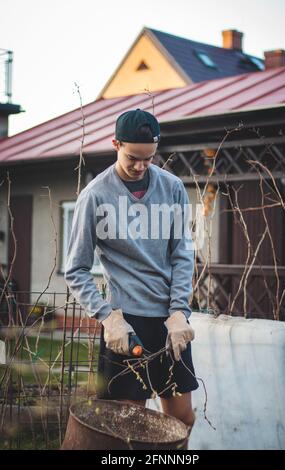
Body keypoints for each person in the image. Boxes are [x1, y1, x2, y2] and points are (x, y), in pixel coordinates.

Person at [64, 108, 199, 432]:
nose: (140, 166)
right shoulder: (95, 196)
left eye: (148, 158)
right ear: (115, 144)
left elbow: (182, 254)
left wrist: (180, 311)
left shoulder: (173, 188)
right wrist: (107, 317)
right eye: (132, 158)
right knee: (130, 424)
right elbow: (75, 269)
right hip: (126, 323)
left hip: (170, 322)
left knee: (181, 419)